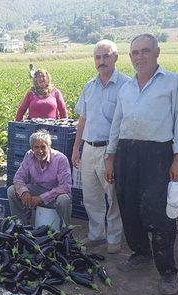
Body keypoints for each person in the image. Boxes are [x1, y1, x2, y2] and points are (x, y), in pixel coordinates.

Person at [104, 34, 178, 295]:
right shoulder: (126, 88)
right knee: (129, 206)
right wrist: (110, 157)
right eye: (135, 52)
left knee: (157, 212)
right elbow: (117, 124)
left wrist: (177, 159)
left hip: (157, 153)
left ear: (157, 52)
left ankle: (168, 272)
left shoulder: (173, 82)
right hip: (127, 152)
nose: (140, 56)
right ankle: (140, 253)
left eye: (145, 51)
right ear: (130, 57)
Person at [72, 40, 130, 254]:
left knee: (113, 195)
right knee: (91, 195)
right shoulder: (89, 86)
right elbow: (82, 119)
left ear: (115, 57)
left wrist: (114, 155)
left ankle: (114, 239)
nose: (101, 61)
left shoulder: (127, 85)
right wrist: (76, 147)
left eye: (106, 56)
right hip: (89, 148)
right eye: (98, 57)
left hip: (111, 150)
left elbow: (128, 123)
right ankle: (97, 235)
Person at [8, 129, 72, 227]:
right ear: (32, 148)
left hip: (55, 194)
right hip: (38, 189)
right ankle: (20, 226)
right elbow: (18, 178)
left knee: (64, 200)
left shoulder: (60, 159)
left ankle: (65, 230)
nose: (40, 151)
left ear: (49, 146)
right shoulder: (29, 155)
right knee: (12, 191)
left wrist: (41, 198)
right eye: (36, 147)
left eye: (43, 147)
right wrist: (24, 192)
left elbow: (65, 187)